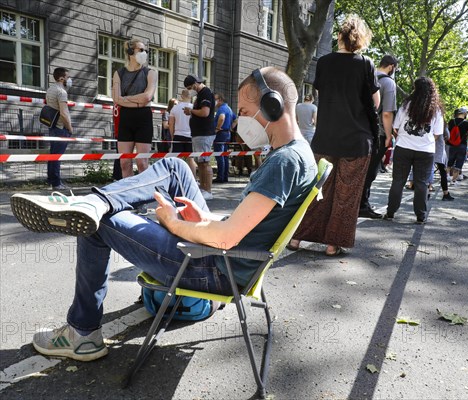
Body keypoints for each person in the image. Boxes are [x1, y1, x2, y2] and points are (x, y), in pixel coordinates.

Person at [9, 67, 316, 362]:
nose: (238, 123)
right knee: (176, 166)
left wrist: (175, 223)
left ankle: (82, 332)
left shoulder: (284, 162)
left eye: (245, 113)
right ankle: (97, 201)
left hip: (214, 271)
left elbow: (226, 239)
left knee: (97, 224)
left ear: (273, 107)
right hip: (227, 262)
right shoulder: (298, 154)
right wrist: (203, 221)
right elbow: (240, 229)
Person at [288, 14, 380, 256]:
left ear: (339, 36)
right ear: (361, 39)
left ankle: (297, 238)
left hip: (325, 138)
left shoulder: (324, 62)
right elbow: (375, 102)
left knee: (318, 191)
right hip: (356, 140)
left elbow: (322, 92)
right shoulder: (365, 64)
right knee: (346, 197)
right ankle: (332, 245)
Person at [384, 77, 444, 223]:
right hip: (426, 151)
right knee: (421, 183)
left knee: (398, 181)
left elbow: (396, 127)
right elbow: (437, 134)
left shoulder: (406, 105)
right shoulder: (436, 109)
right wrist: (424, 141)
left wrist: (403, 138)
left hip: (403, 148)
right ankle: (420, 215)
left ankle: (391, 212)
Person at [359, 54, 398, 219]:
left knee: (359, 169)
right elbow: (387, 114)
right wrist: (389, 136)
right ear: (391, 66)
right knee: (371, 171)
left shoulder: (365, 76)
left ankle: (357, 203)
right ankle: (362, 205)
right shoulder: (388, 82)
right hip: (376, 133)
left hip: (357, 129)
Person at [112, 39, 157, 178]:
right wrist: (138, 100)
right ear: (131, 52)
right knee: (124, 162)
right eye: (141, 50)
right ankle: (129, 193)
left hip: (143, 118)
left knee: (142, 162)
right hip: (125, 118)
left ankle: (145, 192)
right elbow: (116, 99)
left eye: (146, 51)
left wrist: (125, 99)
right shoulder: (119, 73)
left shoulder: (151, 73)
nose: (145, 53)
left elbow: (147, 97)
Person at [184, 75, 215, 200]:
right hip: (200, 133)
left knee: (204, 162)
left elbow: (205, 112)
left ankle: (207, 190)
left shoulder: (205, 93)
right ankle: (204, 188)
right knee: (201, 162)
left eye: (190, 87)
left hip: (204, 133)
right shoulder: (202, 94)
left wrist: (191, 111)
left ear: (196, 83)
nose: (190, 90)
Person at [46, 67, 74, 190]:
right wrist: (70, 128)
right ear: (61, 78)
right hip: (60, 128)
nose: (69, 80)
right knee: (57, 156)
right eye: (67, 77)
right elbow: (64, 113)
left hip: (52, 127)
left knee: (52, 155)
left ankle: (52, 181)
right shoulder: (62, 92)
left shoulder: (50, 89)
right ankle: (57, 184)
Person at [169, 89, 196, 173]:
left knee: (177, 159)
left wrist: (172, 136)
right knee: (191, 159)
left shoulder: (175, 108)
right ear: (190, 96)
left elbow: (171, 124)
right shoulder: (193, 108)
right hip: (190, 136)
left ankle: (177, 179)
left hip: (178, 135)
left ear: (181, 96)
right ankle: (194, 180)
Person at [213, 93, 237, 183]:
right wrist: (231, 127)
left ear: (220, 99)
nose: (214, 102)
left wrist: (217, 128)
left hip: (221, 133)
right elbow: (236, 119)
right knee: (225, 156)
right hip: (227, 134)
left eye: (215, 99)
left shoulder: (222, 108)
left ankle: (220, 177)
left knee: (220, 155)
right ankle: (225, 176)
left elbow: (221, 118)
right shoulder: (229, 108)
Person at [447, 107, 468, 185]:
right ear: (464, 113)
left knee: (450, 162)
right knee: (459, 163)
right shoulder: (467, 123)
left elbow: (448, 131)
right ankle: (453, 181)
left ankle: (446, 177)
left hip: (451, 144)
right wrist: (464, 138)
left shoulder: (451, 121)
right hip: (462, 145)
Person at [436, 124, 454, 201]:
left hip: (427, 149)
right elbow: (448, 136)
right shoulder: (441, 124)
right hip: (439, 151)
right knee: (443, 172)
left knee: (428, 172)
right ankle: (445, 193)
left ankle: (426, 193)